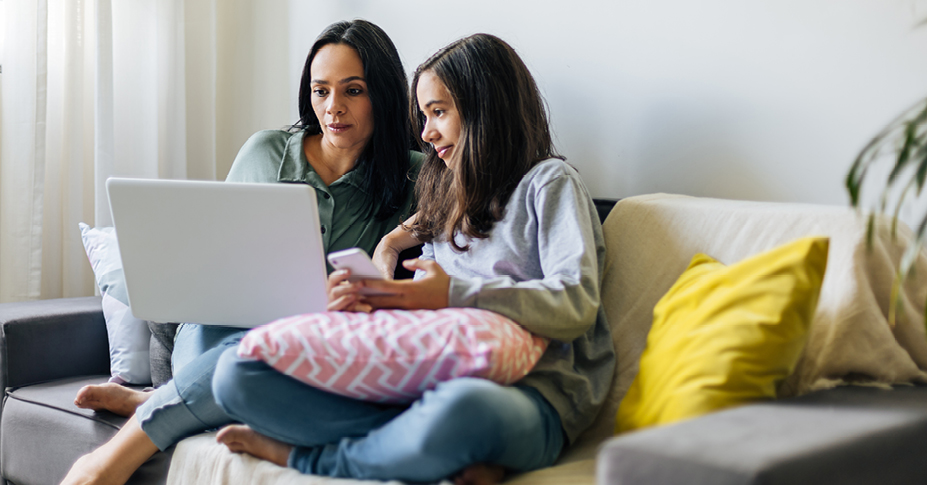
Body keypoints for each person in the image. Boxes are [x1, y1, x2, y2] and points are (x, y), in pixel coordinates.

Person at [210, 33, 616, 485]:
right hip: (422, 387)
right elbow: (399, 253)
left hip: (532, 396)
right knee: (237, 373)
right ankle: (432, 450)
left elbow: (576, 304)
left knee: (463, 410)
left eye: (438, 112)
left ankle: (313, 459)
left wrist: (452, 294)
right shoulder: (446, 197)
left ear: (486, 107)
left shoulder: (549, 184)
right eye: (423, 117)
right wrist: (377, 291)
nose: (426, 134)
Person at [62, 19, 422, 485]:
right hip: (217, 332)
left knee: (256, 367)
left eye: (353, 90)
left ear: (385, 94)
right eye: (320, 91)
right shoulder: (266, 151)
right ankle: (122, 449)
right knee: (236, 357)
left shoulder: (418, 179)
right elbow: (217, 254)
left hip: (311, 353)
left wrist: (380, 256)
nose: (333, 108)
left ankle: (161, 403)